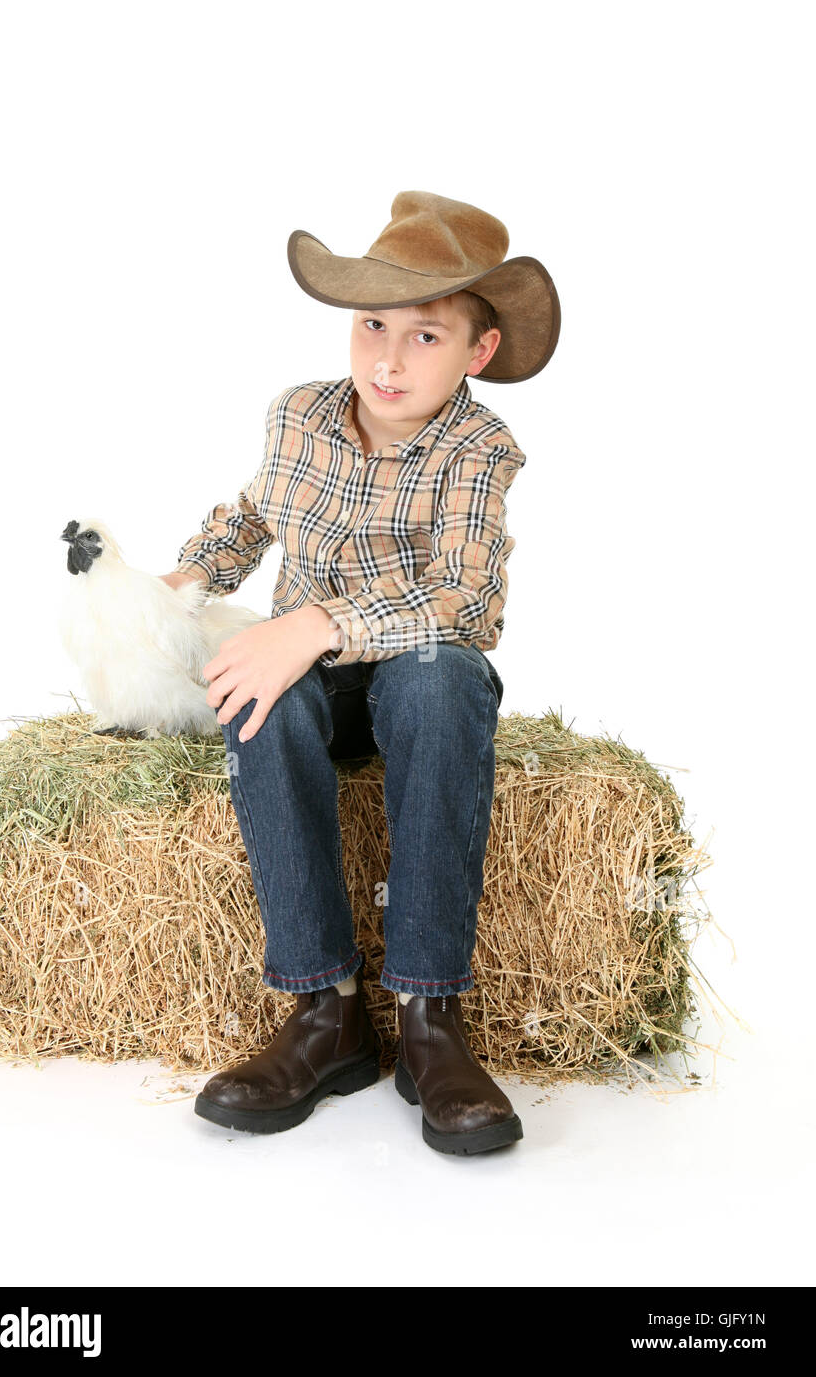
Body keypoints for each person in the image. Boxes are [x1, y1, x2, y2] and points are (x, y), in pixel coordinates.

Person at [160, 191, 560, 1155]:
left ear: (478, 354)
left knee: (439, 678)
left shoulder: (478, 449)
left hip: (412, 678)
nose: (386, 358)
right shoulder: (298, 416)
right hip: (314, 693)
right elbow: (252, 516)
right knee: (263, 691)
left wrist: (318, 621)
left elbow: (468, 599)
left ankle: (429, 1020)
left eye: (425, 336)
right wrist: (184, 583)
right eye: (372, 324)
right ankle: (323, 1011)